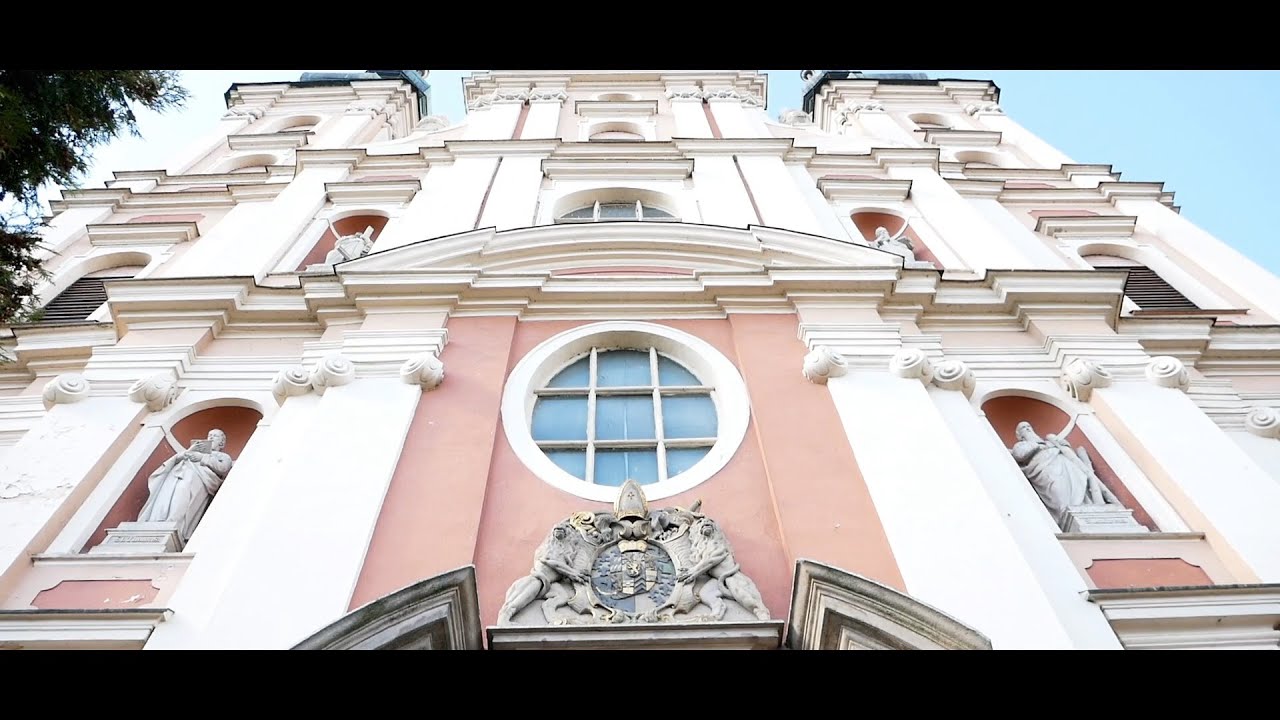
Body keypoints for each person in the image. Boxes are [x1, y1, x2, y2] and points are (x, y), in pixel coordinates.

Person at [1010, 421, 1120, 530]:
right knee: (1057, 488)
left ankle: (1083, 505)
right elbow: (1019, 455)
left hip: (1065, 465)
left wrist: (1060, 444)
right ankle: (1065, 512)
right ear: (1020, 435)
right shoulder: (1021, 445)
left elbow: (1067, 450)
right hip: (1044, 470)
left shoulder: (1048, 441)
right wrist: (1036, 445)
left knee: (1078, 483)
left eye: (1029, 426)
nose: (1028, 428)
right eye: (1024, 428)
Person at [137, 429, 234, 544]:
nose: (211, 438)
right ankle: (157, 521)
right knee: (166, 498)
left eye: (216, 436)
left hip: (199, 479)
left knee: (182, 501)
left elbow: (223, 468)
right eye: (210, 435)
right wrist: (189, 452)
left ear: (222, 443)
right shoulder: (194, 450)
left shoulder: (223, 456)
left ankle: (177, 527)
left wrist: (202, 458)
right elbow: (176, 460)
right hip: (177, 474)